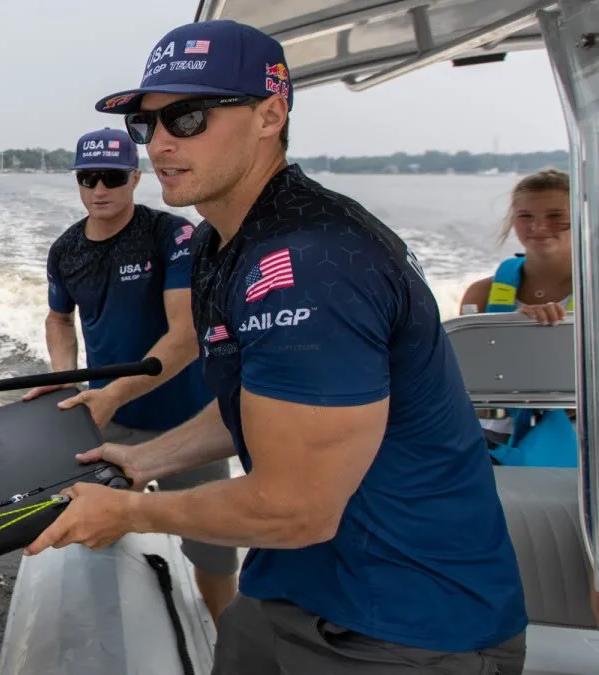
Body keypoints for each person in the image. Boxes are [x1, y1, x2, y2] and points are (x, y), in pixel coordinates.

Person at [26, 19, 528, 674]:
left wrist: (129, 510)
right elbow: (253, 392)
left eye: (190, 116)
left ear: (271, 114)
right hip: (284, 589)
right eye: (146, 126)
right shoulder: (216, 245)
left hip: (409, 620)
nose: (161, 144)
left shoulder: (314, 262)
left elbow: (298, 506)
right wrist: (143, 455)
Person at [22, 126, 238, 622]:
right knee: (94, 531)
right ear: (78, 181)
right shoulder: (65, 251)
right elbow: (59, 319)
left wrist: (112, 394)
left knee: (214, 556)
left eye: (113, 177)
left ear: (135, 178)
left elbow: (185, 336)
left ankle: (227, 638)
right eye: (89, 177)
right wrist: (64, 374)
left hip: (186, 423)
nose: (100, 189)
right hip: (108, 419)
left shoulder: (173, 236)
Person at [460, 169, 577, 468]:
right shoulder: (481, 294)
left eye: (555, 216)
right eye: (526, 216)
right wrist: (515, 326)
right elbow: (465, 374)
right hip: (495, 436)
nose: (539, 226)